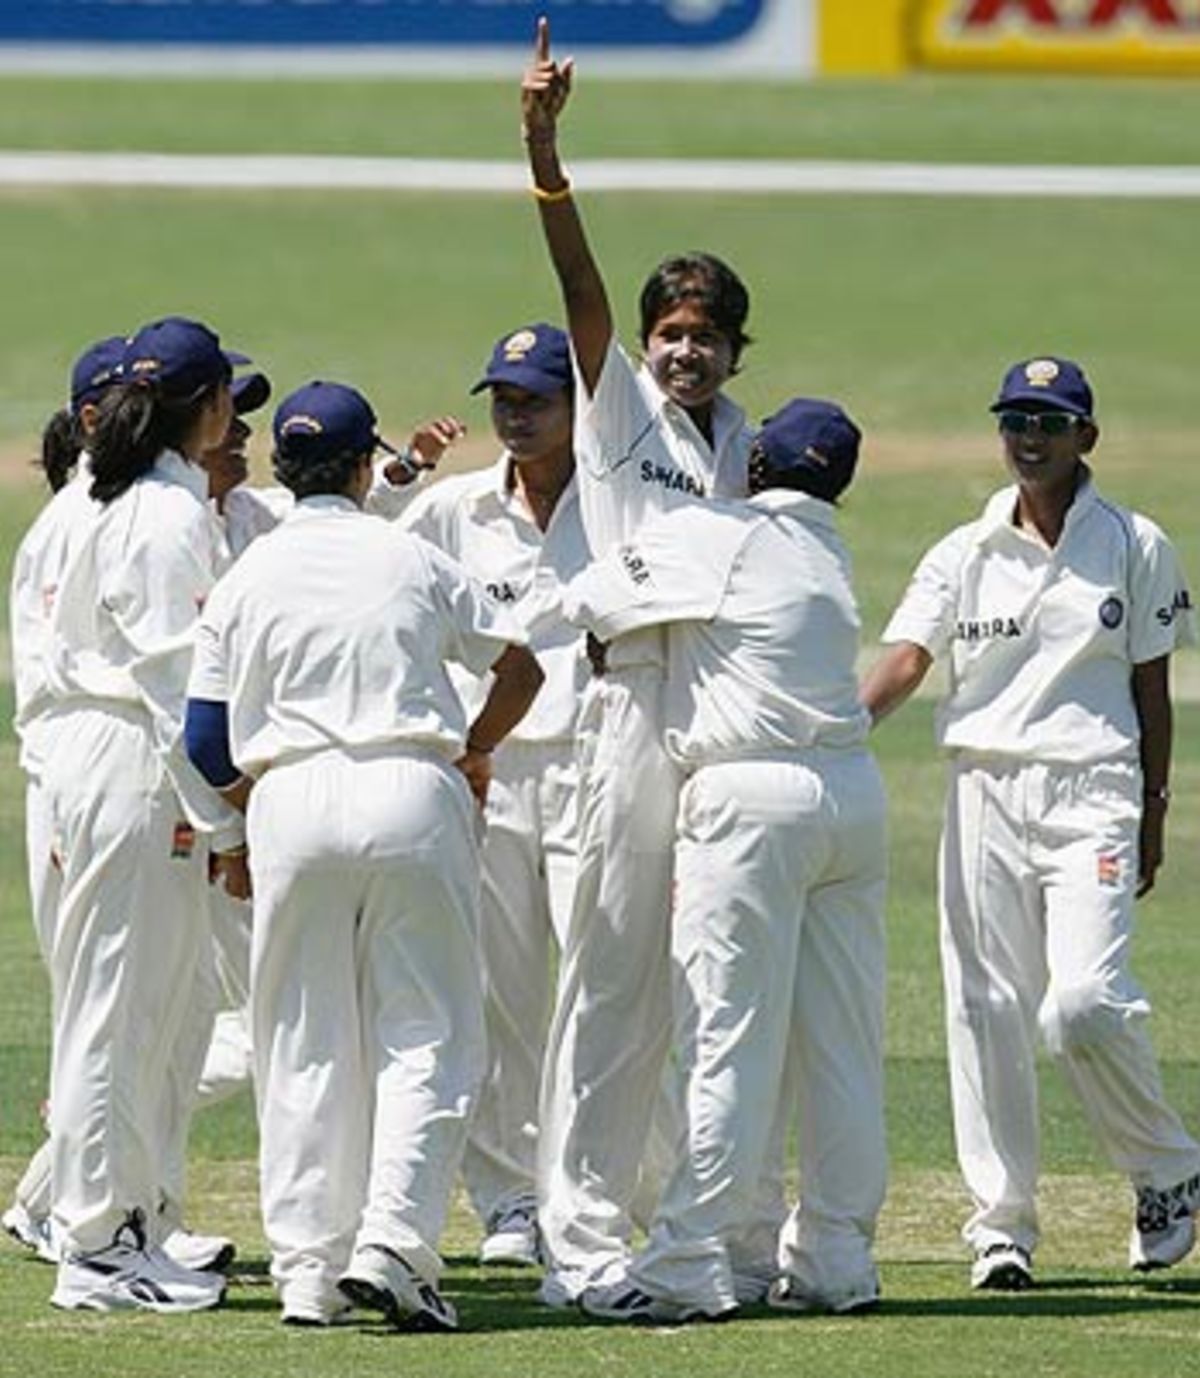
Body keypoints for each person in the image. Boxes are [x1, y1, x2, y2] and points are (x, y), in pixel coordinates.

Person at [185, 380, 544, 1329]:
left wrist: (244, 819)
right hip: (409, 785)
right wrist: (474, 747)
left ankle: (308, 1271)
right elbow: (522, 665)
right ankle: (393, 1242)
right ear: (358, 465)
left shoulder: (247, 575)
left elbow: (204, 738)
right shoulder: (409, 554)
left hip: (290, 797)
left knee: (301, 1039)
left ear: (282, 471)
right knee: (426, 1031)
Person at [860, 356, 1200, 1291]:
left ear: (1087, 436)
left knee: (1082, 1003)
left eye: (1050, 421)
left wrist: (1156, 811)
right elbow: (906, 659)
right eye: (1016, 420)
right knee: (983, 1011)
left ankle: (1166, 1167)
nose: (1030, 437)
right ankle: (1001, 1224)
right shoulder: (963, 552)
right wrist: (831, 732)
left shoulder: (1134, 542)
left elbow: (1151, 687)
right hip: (983, 792)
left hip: (1095, 788)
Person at [521, 17, 757, 1304]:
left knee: (685, 987)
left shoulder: (745, 446)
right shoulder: (619, 408)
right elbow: (579, 288)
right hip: (621, 713)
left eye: (703, 332)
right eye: (669, 328)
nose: (681, 346)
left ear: (733, 345)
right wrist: (546, 150)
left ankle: (676, 1223)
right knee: (608, 986)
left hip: (712, 723)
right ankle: (577, 1241)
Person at [563, 399, 887, 1322]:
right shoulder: (829, 550)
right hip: (851, 798)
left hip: (750, 801)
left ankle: (684, 1261)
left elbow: (588, 596)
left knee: (724, 1034)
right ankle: (835, 1258)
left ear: (753, 469)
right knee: (840, 1044)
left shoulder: (719, 531)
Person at [40, 316, 251, 1314]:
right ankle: (95, 1245)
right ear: (206, 406)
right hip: (131, 759)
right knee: (119, 1011)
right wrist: (227, 822)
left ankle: (128, 1222)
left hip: (97, 758)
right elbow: (180, 685)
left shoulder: (98, 493)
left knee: (138, 1009)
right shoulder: (165, 511)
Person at [400, 322, 588, 1266]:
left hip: (596, 766)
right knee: (499, 992)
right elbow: (369, 573)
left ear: (578, 408)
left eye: (535, 400)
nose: (515, 415)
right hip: (488, 772)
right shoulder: (454, 511)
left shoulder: (621, 501)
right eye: (503, 400)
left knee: (603, 988)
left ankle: (587, 1196)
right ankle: (512, 1202)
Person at [4, 336, 124, 1264]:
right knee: (117, 1004)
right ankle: (80, 1221)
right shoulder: (110, 512)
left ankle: (77, 1202)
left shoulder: (77, 511)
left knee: (114, 1003)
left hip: (65, 771)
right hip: (94, 768)